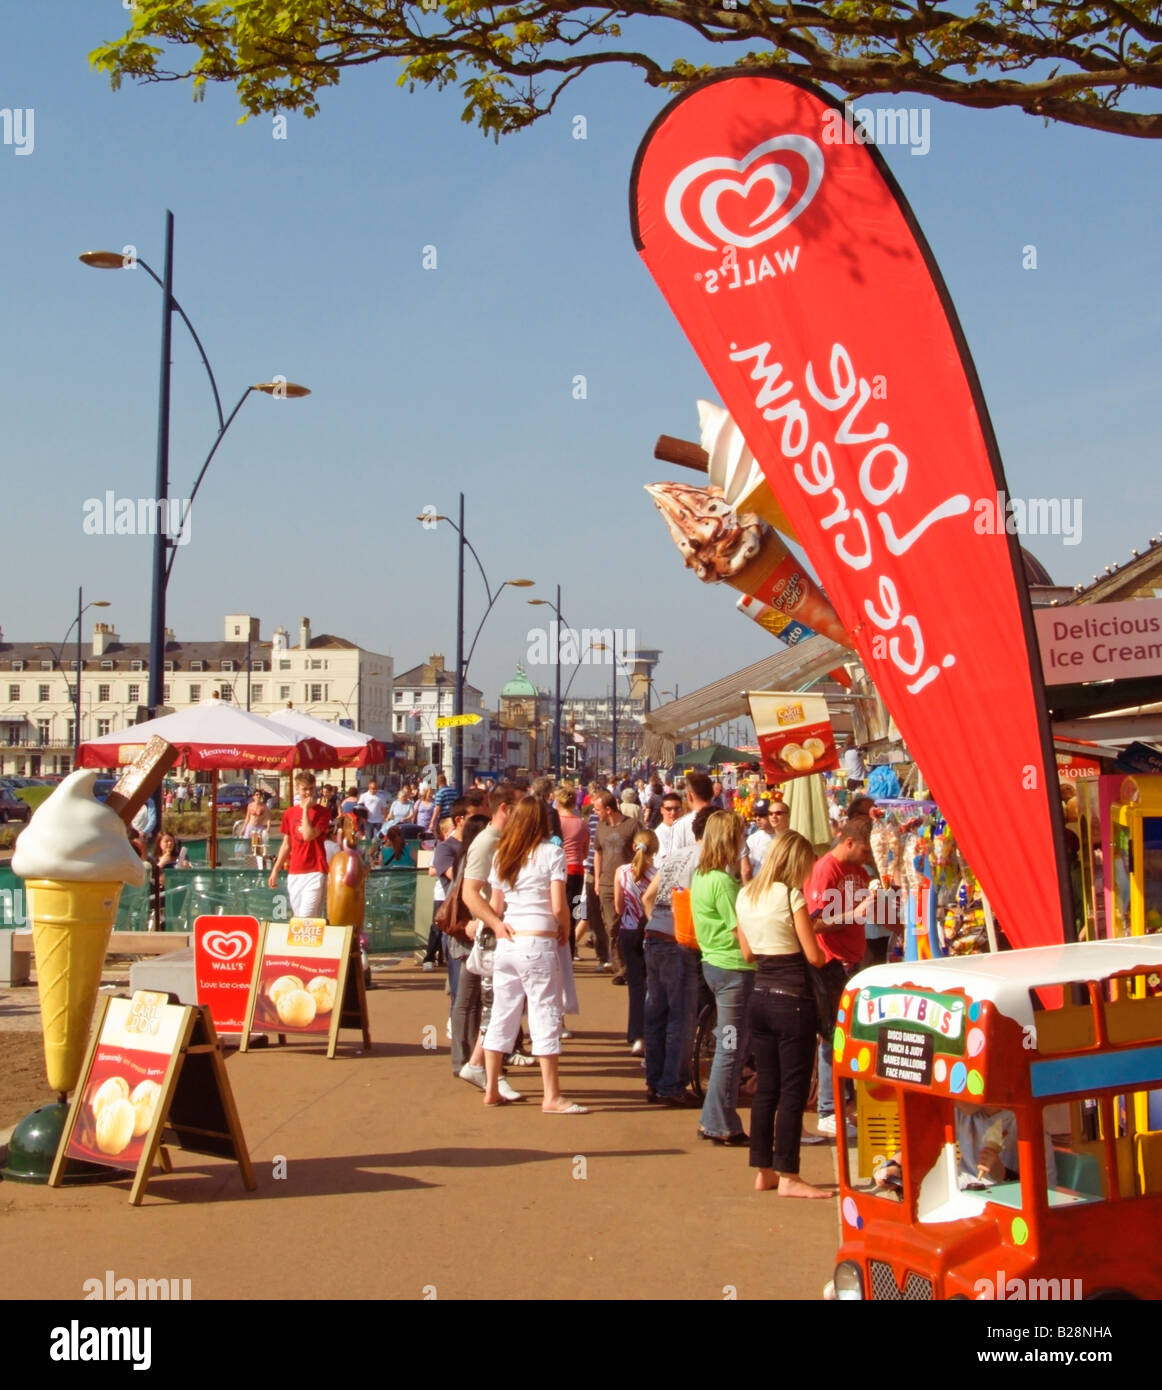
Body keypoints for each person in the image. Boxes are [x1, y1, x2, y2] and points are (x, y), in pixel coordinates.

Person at [736, 832, 834, 1198]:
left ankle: (764, 1168)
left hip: (760, 994)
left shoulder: (746, 895)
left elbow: (746, 953)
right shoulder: (790, 895)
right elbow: (814, 956)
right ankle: (789, 1174)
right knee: (793, 1091)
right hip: (792, 997)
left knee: (767, 1089)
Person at [479, 796, 587, 1114]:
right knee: (545, 1013)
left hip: (509, 940)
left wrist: (496, 925)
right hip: (538, 940)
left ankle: (491, 1087)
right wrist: (565, 927)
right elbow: (558, 905)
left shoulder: (504, 854)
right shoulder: (551, 853)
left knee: (502, 1013)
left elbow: (497, 906)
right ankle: (551, 1095)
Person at [807, 816, 876, 1138]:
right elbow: (815, 923)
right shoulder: (826, 869)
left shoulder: (858, 871)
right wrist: (853, 915)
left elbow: (872, 912)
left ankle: (843, 1105)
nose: (867, 858)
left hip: (853, 961)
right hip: (832, 963)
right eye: (864, 851)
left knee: (849, 1037)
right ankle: (827, 1109)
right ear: (849, 843)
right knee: (831, 1037)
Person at [690, 810, 754, 1145]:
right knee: (730, 1047)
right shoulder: (723, 882)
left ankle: (716, 1117)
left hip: (715, 965)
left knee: (729, 1045)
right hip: (733, 971)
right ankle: (718, 1119)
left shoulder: (702, 876)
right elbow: (741, 934)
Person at [614, 827, 657, 1053]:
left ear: (633, 847)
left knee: (635, 984)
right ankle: (649, 1033)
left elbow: (618, 907)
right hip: (651, 931)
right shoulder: (657, 873)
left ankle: (635, 1034)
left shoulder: (621, 872)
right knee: (652, 984)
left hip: (629, 929)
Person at [269, 772, 331, 918]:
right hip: (295, 872)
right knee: (299, 919)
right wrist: (275, 870)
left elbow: (308, 835)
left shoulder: (323, 812)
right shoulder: (289, 813)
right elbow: (286, 844)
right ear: (297, 789)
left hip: (315, 871)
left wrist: (305, 810)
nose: (308, 793)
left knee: (306, 917)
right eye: (304, 789)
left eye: (311, 788)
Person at [593, 791, 639, 983]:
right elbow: (598, 853)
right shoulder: (600, 828)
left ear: (609, 809)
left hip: (628, 884)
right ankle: (621, 969)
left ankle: (634, 964)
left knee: (630, 926)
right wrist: (597, 879)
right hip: (606, 883)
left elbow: (640, 852)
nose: (596, 813)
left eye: (598, 809)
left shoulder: (632, 826)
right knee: (612, 926)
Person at [556, 786, 589, 959]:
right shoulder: (581, 823)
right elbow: (584, 852)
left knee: (556, 909)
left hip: (558, 870)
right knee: (573, 910)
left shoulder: (555, 823)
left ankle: (558, 948)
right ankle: (569, 948)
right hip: (576, 870)